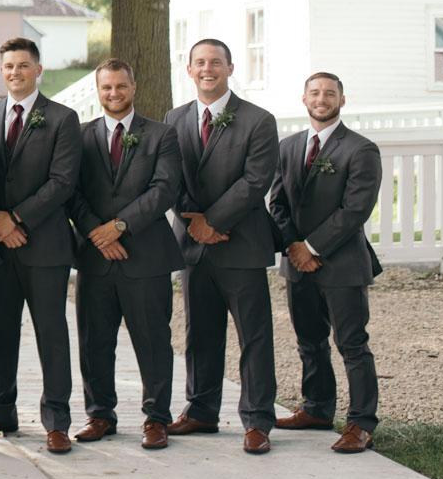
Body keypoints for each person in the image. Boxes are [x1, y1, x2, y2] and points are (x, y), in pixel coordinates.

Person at [164, 38, 280, 454]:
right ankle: (201, 410)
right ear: (189, 69)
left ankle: (257, 420)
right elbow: (167, 177)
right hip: (194, 247)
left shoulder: (258, 120)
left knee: (254, 336)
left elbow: (255, 181)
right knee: (200, 334)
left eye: (216, 62)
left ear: (230, 68)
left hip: (240, 243)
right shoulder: (175, 118)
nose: (207, 68)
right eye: (200, 62)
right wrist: (193, 222)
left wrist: (212, 222)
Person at [267, 72, 384, 454]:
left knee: (352, 344)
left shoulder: (361, 149)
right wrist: (294, 247)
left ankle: (361, 423)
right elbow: (277, 203)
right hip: (297, 264)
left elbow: (355, 210)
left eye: (329, 93)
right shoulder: (288, 147)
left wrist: (313, 247)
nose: (322, 99)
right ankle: (317, 408)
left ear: (341, 100)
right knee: (309, 341)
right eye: (315, 93)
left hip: (342, 263)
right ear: (304, 100)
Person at [68, 59, 182, 450]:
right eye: (106, 88)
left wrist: (119, 226)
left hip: (146, 256)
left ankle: (156, 418)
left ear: (133, 87)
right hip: (94, 257)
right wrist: (97, 234)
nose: (113, 94)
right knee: (94, 341)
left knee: (152, 340)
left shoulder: (162, 135)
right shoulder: (79, 136)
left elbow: (164, 189)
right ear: (98, 91)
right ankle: (100, 415)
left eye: (120, 86)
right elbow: (71, 191)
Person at [0, 37, 81, 453]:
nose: (15, 73)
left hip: (45, 246)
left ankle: (56, 420)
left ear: (38, 70)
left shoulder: (62, 119)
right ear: (0, 72)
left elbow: (63, 182)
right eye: (8, 67)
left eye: (23, 66)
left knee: (51, 334)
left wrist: (16, 218)